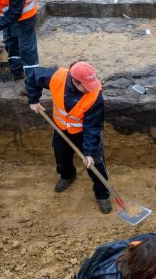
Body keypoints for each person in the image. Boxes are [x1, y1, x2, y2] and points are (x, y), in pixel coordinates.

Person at [28, 62, 111, 213]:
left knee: (95, 164)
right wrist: (33, 100)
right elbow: (33, 76)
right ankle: (67, 176)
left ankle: (102, 194)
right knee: (61, 157)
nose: (90, 89)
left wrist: (89, 152)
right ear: (74, 81)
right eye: (85, 86)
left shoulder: (95, 95)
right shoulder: (56, 76)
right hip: (61, 129)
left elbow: (92, 126)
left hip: (83, 133)